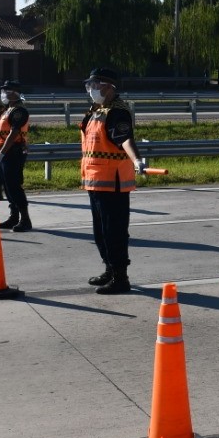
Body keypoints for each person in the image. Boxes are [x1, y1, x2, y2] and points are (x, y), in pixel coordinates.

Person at [79, 67, 147, 294]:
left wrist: (137, 160)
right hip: (95, 181)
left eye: (95, 84)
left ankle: (120, 277)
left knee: (113, 232)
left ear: (109, 87)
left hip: (113, 183)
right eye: (89, 85)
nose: (91, 89)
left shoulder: (118, 112)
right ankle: (109, 269)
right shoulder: (96, 110)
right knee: (100, 232)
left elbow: (125, 139)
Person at [0, 79, 31, 232]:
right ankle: (13, 217)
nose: (3, 93)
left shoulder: (19, 111)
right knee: (7, 187)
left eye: (6, 90)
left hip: (13, 152)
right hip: (2, 152)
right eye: (3, 90)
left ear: (15, 93)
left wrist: (1, 154)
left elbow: (13, 133)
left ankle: (25, 219)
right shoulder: (5, 110)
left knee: (14, 186)